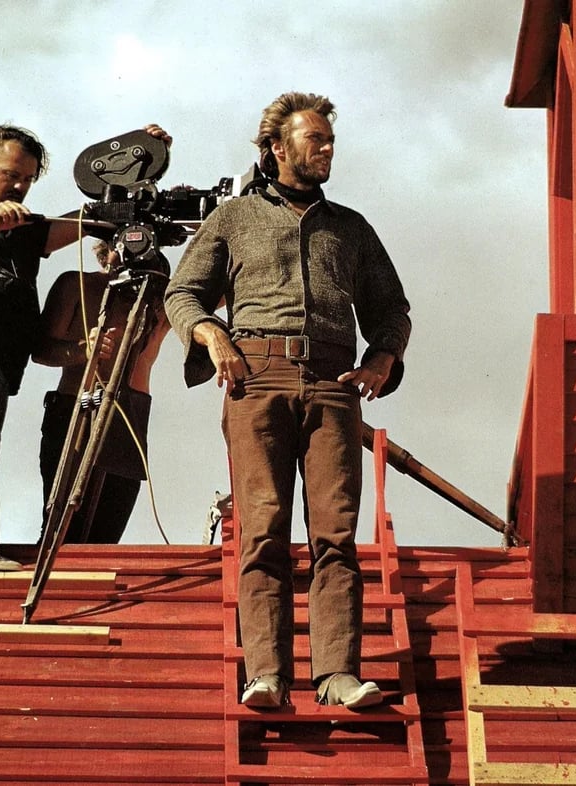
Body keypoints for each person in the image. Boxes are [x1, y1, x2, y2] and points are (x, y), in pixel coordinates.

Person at [164, 92, 411, 710]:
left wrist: (382, 359)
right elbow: (183, 291)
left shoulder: (352, 228)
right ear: (277, 148)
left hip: (333, 385)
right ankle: (267, 674)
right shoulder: (233, 218)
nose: (326, 148)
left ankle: (336, 676)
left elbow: (392, 311)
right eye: (314, 139)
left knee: (336, 534)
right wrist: (211, 333)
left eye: (330, 140)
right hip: (257, 381)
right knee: (264, 529)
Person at [0, 122, 166, 571]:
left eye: (27, 178)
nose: (20, 185)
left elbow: (89, 220)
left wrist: (140, 156)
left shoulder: (27, 228)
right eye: (11, 174)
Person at [33, 236, 171, 543]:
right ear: (103, 252)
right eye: (120, 245)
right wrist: (84, 349)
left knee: (107, 531)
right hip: (76, 408)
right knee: (63, 527)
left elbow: (216, 290)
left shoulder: (160, 295)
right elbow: (41, 349)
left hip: (130, 417)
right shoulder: (78, 285)